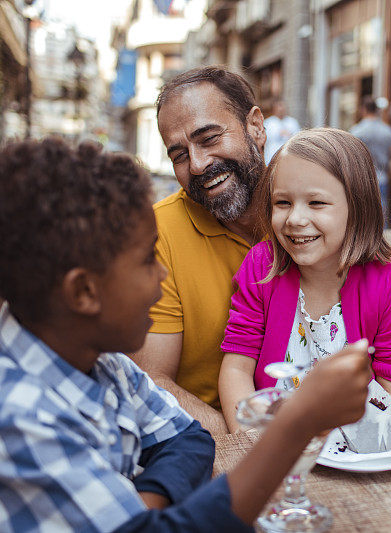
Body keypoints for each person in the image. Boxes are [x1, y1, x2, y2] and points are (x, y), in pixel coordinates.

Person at [0, 138, 372, 532]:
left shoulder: (100, 361)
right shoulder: (18, 423)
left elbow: (189, 439)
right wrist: (297, 424)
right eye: (146, 260)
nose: (162, 275)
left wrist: (146, 511)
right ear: (84, 291)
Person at [218, 128, 391, 432]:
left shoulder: (390, 282)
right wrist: (253, 442)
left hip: (354, 446)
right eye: (282, 202)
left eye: (316, 203)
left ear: (358, 207)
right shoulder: (261, 267)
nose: (295, 219)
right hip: (273, 441)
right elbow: (236, 368)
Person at [132, 66, 266, 435]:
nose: (198, 164)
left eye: (209, 138)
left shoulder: (308, 214)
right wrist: (249, 449)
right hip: (209, 444)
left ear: (255, 126)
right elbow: (152, 380)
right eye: (179, 155)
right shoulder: (157, 236)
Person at [350, 96, 391, 220]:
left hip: (361, 178)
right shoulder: (388, 131)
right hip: (382, 178)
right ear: (376, 110)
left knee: (361, 215)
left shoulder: (356, 131)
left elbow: (351, 158)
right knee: (380, 214)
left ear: (363, 110)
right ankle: (380, 238)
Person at [263, 99, 301, 165]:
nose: (281, 109)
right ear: (274, 109)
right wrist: (278, 133)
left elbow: (298, 138)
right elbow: (264, 138)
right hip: (271, 156)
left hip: (289, 157)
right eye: (278, 107)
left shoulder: (292, 122)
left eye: (282, 107)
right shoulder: (268, 123)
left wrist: (290, 135)